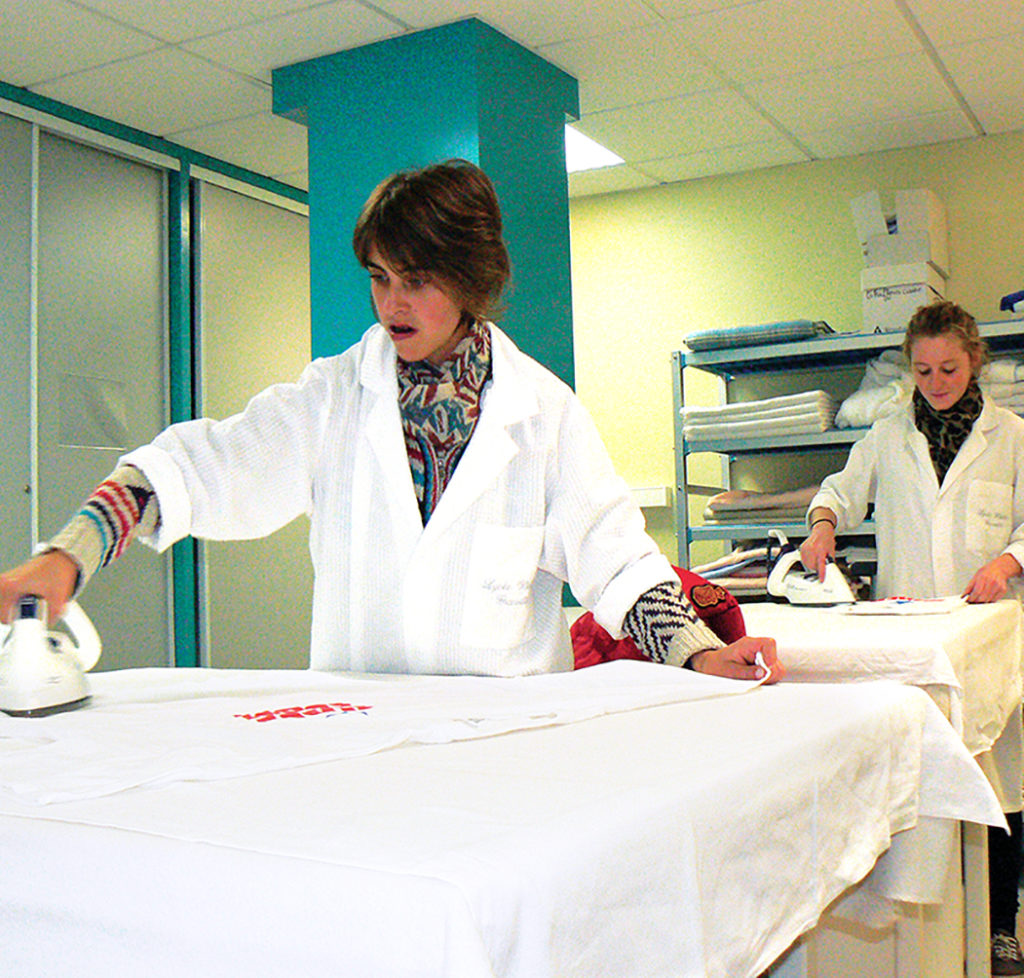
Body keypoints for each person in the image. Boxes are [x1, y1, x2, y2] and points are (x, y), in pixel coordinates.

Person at [0, 159, 781, 686]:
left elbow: (619, 565)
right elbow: (194, 467)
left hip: (506, 751)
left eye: (415, 280)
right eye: (378, 278)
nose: (390, 304)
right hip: (360, 740)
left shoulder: (543, 412)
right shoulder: (333, 398)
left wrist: (705, 657)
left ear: (470, 280)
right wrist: (66, 560)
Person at [800, 299, 1024, 975]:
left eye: (948, 367)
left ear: (974, 360)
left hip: (989, 634)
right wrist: (821, 523)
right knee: (923, 789)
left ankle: (1000, 929)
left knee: (1001, 788)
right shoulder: (889, 434)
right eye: (923, 370)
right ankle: (931, 934)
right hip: (916, 638)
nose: (936, 381)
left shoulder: (1011, 435)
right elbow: (843, 489)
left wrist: (1008, 561)